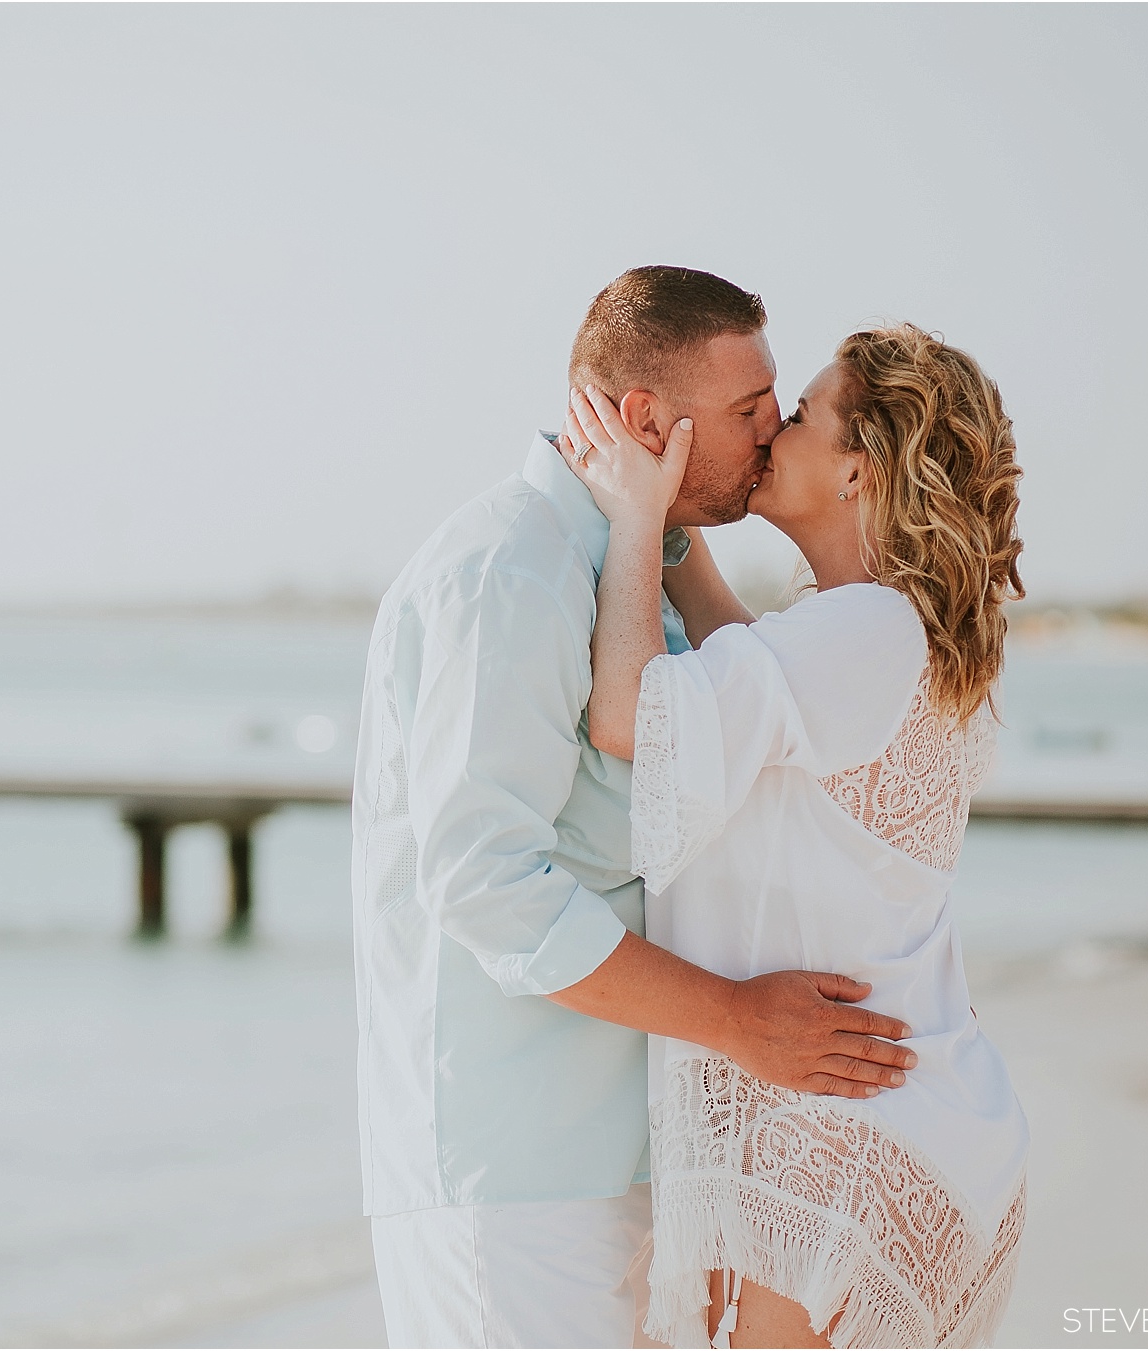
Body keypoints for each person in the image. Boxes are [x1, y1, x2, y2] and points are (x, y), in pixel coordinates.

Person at [351, 266, 920, 1349]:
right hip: (512, 1175)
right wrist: (743, 1022)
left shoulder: (635, 566)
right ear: (645, 418)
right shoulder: (507, 567)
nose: (769, 435)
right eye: (748, 413)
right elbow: (484, 883)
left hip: (634, 1154)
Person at [558, 322, 1029, 1348]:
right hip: (902, 1124)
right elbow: (744, 671)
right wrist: (677, 526)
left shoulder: (858, 632)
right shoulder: (878, 628)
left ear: (856, 469)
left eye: (805, 412)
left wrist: (635, 517)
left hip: (844, 1147)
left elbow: (629, 718)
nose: (774, 424)